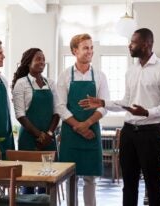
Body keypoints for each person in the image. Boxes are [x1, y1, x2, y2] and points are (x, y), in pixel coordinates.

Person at [79, 28, 160, 206]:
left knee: (152, 182)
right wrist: (102, 102)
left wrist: (147, 112)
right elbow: (126, 102)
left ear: (146, 44)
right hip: (129, 132)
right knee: (128, 184)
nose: (129, 45)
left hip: (149, 133)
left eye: (133, 42)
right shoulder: (131, 70)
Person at [57, 33, 110, 206]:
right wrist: (78, 126)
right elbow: (59, 106)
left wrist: (86, 124)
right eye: (86, 48)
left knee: (90, 179)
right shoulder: (65, 76)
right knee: (70, 177)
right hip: (70, 133)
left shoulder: (100, 76)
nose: (90, 51)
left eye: (91, 47)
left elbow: (104, 106)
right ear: (74, 51)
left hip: (91, 131)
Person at [11, 48, 60, 194]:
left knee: (48, 181)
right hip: (29, 139)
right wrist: (39, 135)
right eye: (38, 59)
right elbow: (20, 114)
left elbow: (57, 111)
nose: (42, 62)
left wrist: (49, 134)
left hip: (48, 139)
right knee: (28, 181)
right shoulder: (21, 84)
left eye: (43, 59)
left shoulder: (50, 83)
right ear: (28, 62)